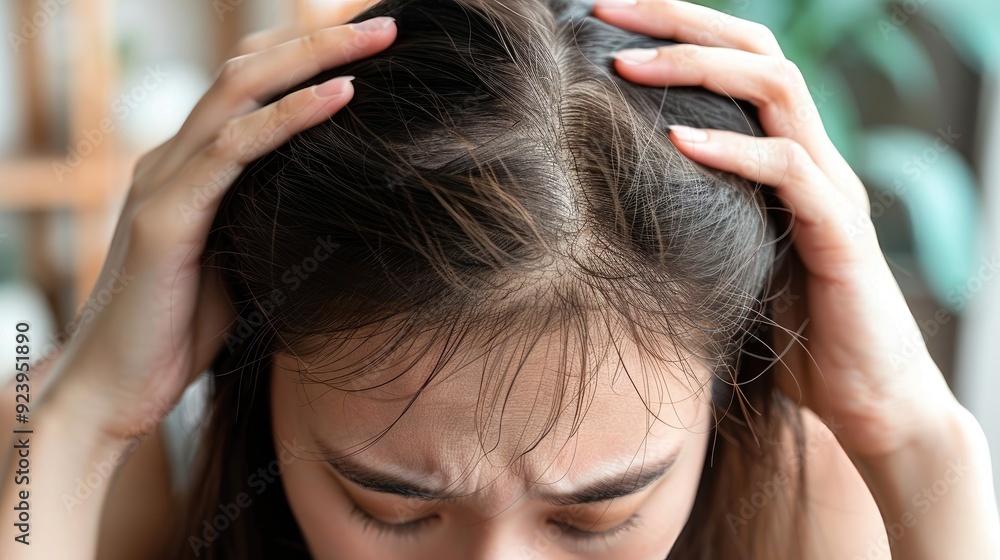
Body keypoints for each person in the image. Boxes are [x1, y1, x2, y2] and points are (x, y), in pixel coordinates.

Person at [2, 0, 998, 558]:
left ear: (723, 393)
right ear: (253, 351)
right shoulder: (77, 473)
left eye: (595, 514)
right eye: (392, 506)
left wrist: (915, 435)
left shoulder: (803, 498)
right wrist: (83, 413)